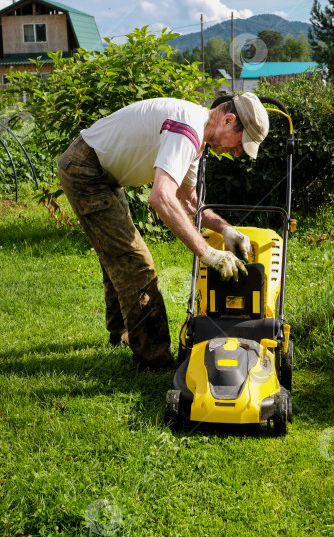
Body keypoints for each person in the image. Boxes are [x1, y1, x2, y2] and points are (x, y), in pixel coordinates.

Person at [57, 92, 269, 371]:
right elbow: (160, 198)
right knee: (135, 262)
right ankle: (153, 360)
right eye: (241, 143)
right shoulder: (187, 129)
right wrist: (207, 253)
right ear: (228, 120)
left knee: (118, 252)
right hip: (85, 170)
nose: (238, 151)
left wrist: (225, 229)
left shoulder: (196, 138)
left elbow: (187, 200)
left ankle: (121, 332)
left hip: (102, 172)